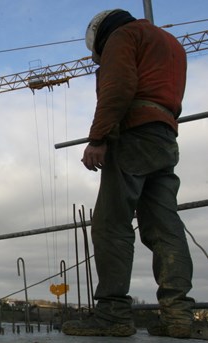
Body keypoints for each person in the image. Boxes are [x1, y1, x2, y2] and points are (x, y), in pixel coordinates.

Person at [62, 9, 195, 338]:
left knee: (111, 224)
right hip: (165, 138)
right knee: (166, 228)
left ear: (101, 36)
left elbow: (118, 87)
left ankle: (112, 314)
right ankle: (178, 315)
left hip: (134, 134)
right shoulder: (171, 43)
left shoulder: (124, 36)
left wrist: (98, 138)